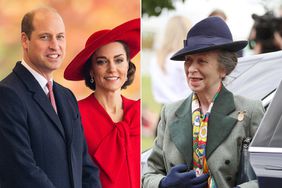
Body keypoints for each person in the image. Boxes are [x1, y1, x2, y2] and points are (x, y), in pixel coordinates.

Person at [142, 17, 264, 188]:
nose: (191, 69)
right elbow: (149, 173)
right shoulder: (170, 113)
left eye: (202, 61)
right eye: (188, 60)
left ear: (224, 68)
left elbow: (267, 177)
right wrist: (164, 184)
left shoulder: (250, 111)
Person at [0, 7, 101, 188]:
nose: (55, 45)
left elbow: (85, 165)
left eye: (60, 36)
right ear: (25, 40)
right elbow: (22, 171)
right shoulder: (7, 95)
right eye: (45, 37)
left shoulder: (67, 97)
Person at [64, 18, 140, 188]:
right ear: (91, 69)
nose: (112, 68)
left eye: (119, 60)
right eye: (102, 61)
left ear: (128, 65)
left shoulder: (138, 111)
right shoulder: (75, 114)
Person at [150, 15, 192, 104]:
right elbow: (190, 90)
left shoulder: (157, 59)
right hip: (184, 108)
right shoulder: (185, 60)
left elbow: (158, 90)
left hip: (165, 109)